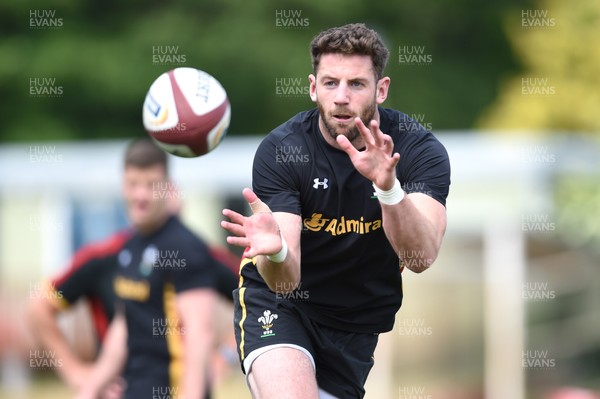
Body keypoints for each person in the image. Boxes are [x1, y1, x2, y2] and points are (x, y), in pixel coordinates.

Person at [221, 23, 450, 399]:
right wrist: (276, 248)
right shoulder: (283, 151)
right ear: (313, 87)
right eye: (330, 83)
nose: (341, 97)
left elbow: (421, 256)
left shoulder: (417, 150)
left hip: (355, 324)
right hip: (281, 305)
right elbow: (284, 281)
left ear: (381, 88)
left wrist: (388, 188)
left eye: (356, 84)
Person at [27, 137, 237, 399]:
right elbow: (124, 326)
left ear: (168, 188)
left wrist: (224, 358)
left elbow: (199, 334)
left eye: (151, 185)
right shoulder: (130, 247)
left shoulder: (186, 248)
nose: (140, 195)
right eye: (133, 184)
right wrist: (90, 389)